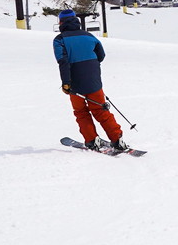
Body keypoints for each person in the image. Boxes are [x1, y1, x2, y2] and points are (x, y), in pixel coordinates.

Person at [53, 9, 129, 151]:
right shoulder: (89, 36)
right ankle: (117, 140)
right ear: (75, 20)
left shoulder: (59, 39)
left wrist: (66, 83)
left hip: (75, 84)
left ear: (61, 22)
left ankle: (92, 140)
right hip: (94, 81)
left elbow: (62, 62)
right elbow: (101, 55)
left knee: (81, 112)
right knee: (101, 110)